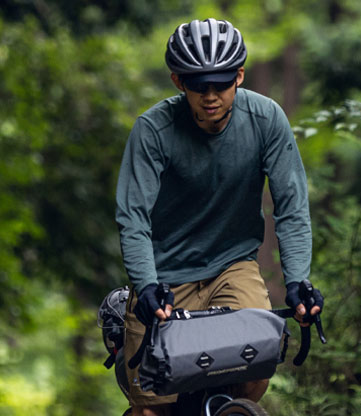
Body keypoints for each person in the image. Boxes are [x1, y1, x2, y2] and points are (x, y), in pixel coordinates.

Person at [116, 18, 323, 416]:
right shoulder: (153, 130)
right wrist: (146, 284)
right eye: (199, 86)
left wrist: (298, 280)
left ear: (239, 77)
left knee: (257, 364)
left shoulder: (266, 119)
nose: (210, 96)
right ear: (179, 82)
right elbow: (133, 218)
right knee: (152, 410)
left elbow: (292, 208)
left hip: (232, 266)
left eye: (221, 84)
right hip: (165, 275)